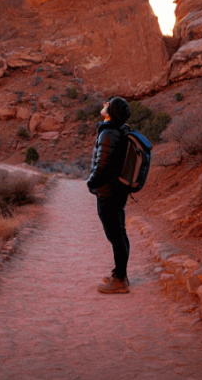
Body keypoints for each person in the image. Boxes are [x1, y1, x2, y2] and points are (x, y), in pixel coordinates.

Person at [86, 96, 132, 294]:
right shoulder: (117, 130)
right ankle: (120, 273)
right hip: (116, 190)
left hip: (108, 192)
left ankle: (120, 280)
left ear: (111, 111)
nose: (104, 105)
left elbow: (102, 166)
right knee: (118, 232)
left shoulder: (109, 133)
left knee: (115, 234)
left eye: (108, 104)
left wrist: (91, 182)